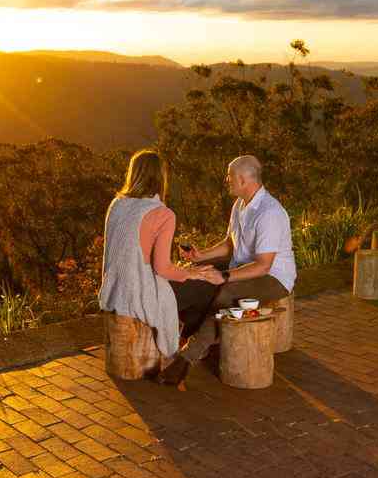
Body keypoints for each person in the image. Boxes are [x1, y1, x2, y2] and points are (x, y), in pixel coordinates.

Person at [159, 154, 297, 385]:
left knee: (227, 293)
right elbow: (230, 243)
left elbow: (264, 265)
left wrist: (224, 276)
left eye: (230, 176)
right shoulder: (240, 205)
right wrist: (201, 255)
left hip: (273, 277)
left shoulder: (270, 212)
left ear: (243, 180)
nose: (226, 180)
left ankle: (187, 358)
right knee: (199, 273)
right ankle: (199, 330)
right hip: (242, 267)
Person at [99, 149, 223, 366]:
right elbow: (162, 269)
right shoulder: (162, 213)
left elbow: (110, 254)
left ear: (133, 173)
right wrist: (191, 272)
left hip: (113, 291)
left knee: (193, 282)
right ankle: (186, 349)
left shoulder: (116, 204)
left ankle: (182, 340)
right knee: (207, 287)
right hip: (139, 294)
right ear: (161, 177)